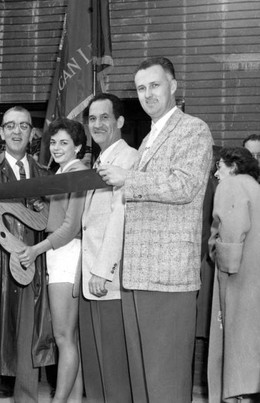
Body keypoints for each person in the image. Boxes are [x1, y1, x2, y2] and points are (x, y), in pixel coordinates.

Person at [98, 56, 213, 402]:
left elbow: (185, 185)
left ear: (173, 86)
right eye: (141, 88)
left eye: (155, 85)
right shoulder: (149, 138)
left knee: (165, 383)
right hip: (137, 274)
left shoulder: (193, 129)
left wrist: (128, 178)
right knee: (144, 382)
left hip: (168, 275)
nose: (147, 94)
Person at [0, 106, 55, 403]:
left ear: (33, 133)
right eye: (11, 126)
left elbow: (53, 226)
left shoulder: (45, 174)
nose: (17, 131)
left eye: (24, 126)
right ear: (1, 132)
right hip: (0, 266)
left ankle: (27, 399)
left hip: (34, 265)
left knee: (29, 341)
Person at [18, 118, 87, 403]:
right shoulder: (63, 172)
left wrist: (36, 250)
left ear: (79, 147)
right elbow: (56, 218)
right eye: (54, 142)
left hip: (67, 254)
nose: (56, 148)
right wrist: (42, 206)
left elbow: (70, 228)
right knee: (70, 339)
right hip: (59, 254)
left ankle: (57, 401)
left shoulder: (78, 172)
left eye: (64, 143)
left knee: (63, 337)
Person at [80, 93, 137, 402]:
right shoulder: (100, 160)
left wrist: (102, 271)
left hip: (108, 281)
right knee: (96, 367)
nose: (97, 124)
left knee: (113, 368)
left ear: (120, 121)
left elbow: (121, 218)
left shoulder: (128, 159)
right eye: (92, 118)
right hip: (91, 276)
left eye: (104, 117)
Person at [208, 147, 260, 403]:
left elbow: (231, 231)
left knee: (233, 340)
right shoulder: (254, 186)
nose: (217, 174)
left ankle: (234, 395)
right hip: (254, 275)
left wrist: (223, 262)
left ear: (234, 166)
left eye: (220, 167)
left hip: (237, 276)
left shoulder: (231, 186)